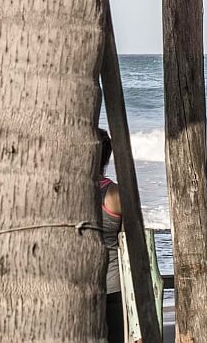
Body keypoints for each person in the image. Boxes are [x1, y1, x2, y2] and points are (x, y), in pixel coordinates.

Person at [97, 128, 124, 342]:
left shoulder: (65, 191)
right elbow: (128, 241)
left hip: (75, 286)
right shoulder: (114, 193)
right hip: (112, 285)